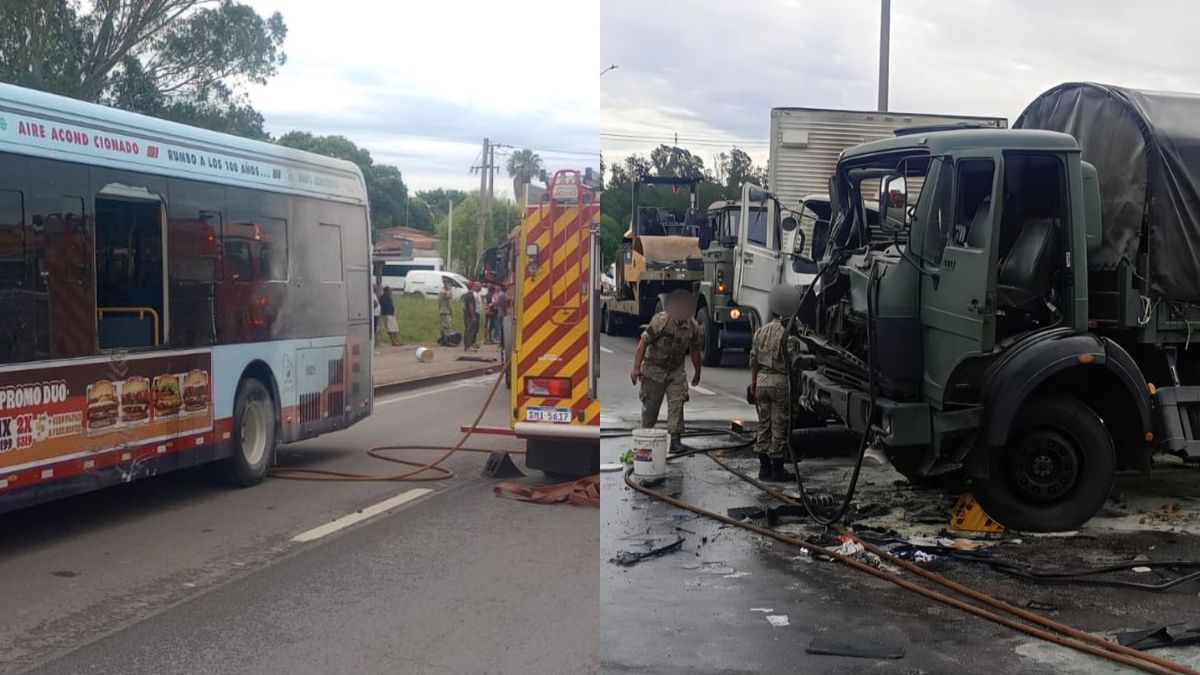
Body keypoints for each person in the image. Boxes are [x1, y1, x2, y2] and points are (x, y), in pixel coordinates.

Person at [631, 289, 701, 454]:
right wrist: (636, 368)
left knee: (678, 401)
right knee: (651, 408)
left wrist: (698, 371)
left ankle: (675, 441)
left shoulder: (693, 326)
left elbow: (696, 349)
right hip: (654, 368)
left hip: (675, 370)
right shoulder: (660, 321)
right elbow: (643, 343)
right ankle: (645, 438)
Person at [749, 285, 808, 482]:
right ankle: (778, 469)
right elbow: (794, 366)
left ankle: (763, 469)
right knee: (780, 424)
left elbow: (753, 360)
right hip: (780, 383)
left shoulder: (760, 332)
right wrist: (812, 361)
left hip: (762, 381)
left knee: (764, 424)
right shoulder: (788, 337)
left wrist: (753, 383)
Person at [463, 280, 480, 351]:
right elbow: (471, 305)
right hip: (470, 314)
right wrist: (473, 316)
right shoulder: (470, 295)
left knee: (467, 329)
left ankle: (467, 345)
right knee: (470, 330)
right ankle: (469, 346)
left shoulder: (466, 294)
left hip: (466, 314)